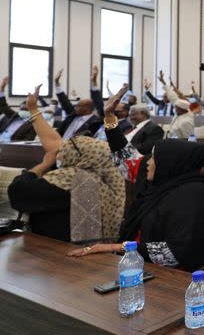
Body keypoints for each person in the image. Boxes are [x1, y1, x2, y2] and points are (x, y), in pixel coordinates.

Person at [67, 139, 204, 270]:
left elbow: (174, 254)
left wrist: (113, 248)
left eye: (153, 158)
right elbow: (124, 159)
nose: (147, 163)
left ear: (169, 162)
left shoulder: (192, 196)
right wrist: (110, 120)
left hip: (176, 279)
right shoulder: (161, 188)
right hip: (140, 264)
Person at [8, 92, 125, 242]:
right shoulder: (110, 177)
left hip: (54, 253)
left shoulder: (68, 180)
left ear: (75, 156)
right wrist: (33, 110)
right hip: (95, 254)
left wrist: (42, 166)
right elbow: (54, 143)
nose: (61, 154)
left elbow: (17, 191)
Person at [54, 67, 103, 139]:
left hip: (76, 149)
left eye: (78, 106)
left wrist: (94, 81)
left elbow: (99, 103)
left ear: (87, 108)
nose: (75, 107)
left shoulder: (95, 122)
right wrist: (57, 83)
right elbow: (65, 102)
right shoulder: (73, 115)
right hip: (58, 145)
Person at [0, 77, 36, 141]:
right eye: (21, 109)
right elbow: (3, 105)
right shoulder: (12, 115)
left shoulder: (32, 126)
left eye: (25, 109)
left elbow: (26, 143)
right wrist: (2, 89)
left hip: (9, 148)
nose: (23, 111)